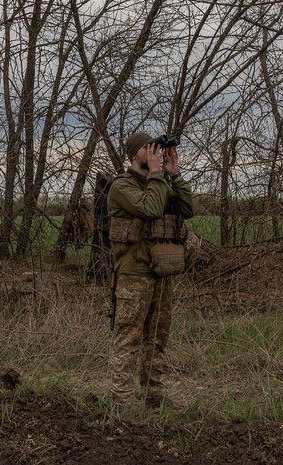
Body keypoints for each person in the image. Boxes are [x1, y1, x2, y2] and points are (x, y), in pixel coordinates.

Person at [106, 132, 194, 408]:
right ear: (135, 154)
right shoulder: (121, 187)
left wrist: (174, 174)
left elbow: (188, 208)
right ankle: (119, 400)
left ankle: (153, 395)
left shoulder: (160, 183)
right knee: (129, 337)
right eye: (149, 148)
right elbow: (151, 209)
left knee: (157, 337)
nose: (154, 152)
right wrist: (157, 174)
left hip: (162, 271)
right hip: (134, 273)